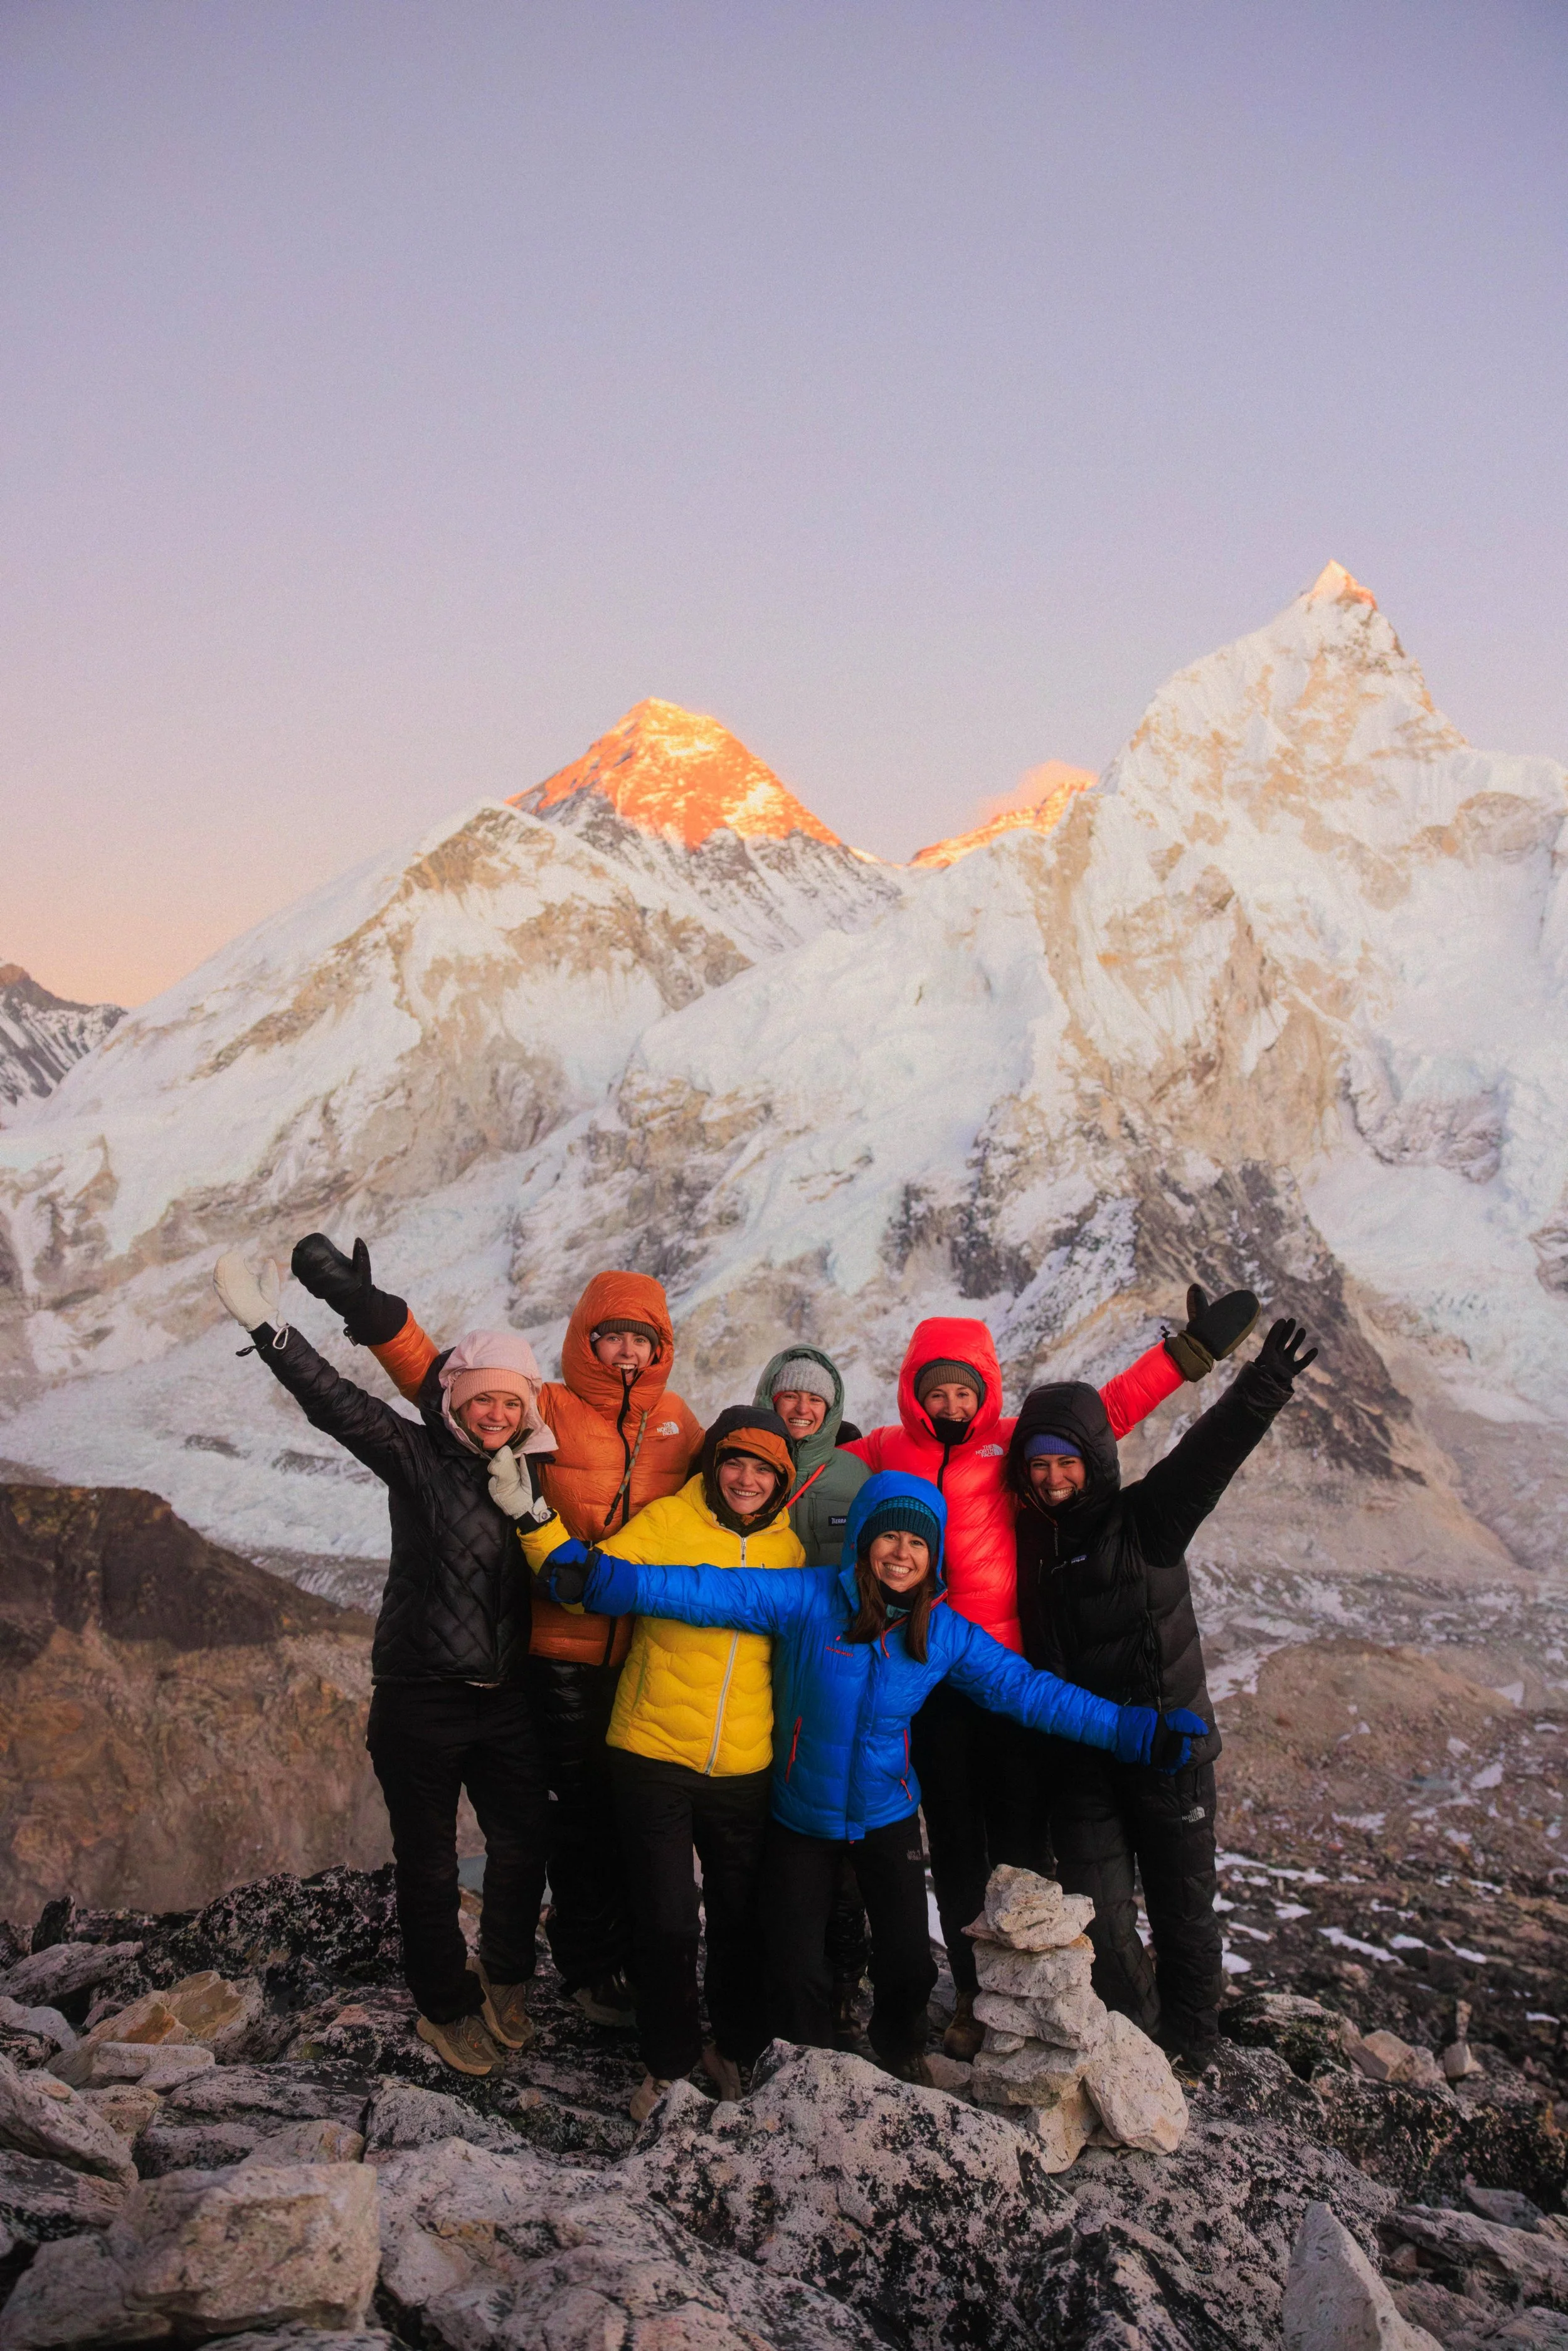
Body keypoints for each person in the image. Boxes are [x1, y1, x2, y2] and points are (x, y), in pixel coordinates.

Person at [533, 1471, 1204, 2084]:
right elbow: (709, 1588)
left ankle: (900, 2050)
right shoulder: (808, 1600)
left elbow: (1029, 1691)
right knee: (795, 1967)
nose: (901, 1552)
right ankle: (809, 2075)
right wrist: (606, 1580)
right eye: (889, 1535)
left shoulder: (942, 1633)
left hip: (885, 1814)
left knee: (910, 1963)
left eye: (917, 1541)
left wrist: (1133, 1730)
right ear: (864, 1540)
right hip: (802, 1815)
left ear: (932, 1556)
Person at [289, 1238, 704, 2029]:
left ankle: (606, 1962)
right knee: (570, 1824)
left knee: (624, 1819)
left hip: (638, 1654)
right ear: (584, 1338)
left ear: (661, 1347)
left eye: (640, 1338)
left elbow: (726, 1496)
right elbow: (446, 1384)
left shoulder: (677, 1424)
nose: (625, 1350)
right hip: (548, 1652)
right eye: (610, 1334)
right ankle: (585, 1971)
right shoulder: (545, 1405)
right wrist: (369, 1312)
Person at [839, 1289, 1257, 2057]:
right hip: (930, 1680)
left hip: (1007, 1673)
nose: (951, 1403)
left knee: (1024, 1843)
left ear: (985, 1392)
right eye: (936, 1391)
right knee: (958, 1844)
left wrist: (1185, 1356)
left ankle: (1028, 1985)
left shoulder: (1007, 1444)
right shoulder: (882, 1450)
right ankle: (971, 1992)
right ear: (912, 1391)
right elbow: (787, 1477)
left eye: (964, 1389)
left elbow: (1107, 1415)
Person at [211, 1249, 556, 2081]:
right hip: (421, 1699)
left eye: (512, 1402)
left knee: (523, 1844)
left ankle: (506, 1979)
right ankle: (446, 2006)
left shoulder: (541, 1475)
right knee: (430, 1862)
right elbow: (334, 1403)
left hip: (507, 1700)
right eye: (485, 1401)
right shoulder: (413, 1454)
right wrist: (271, 1328)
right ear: (459, 1405)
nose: (498, 1414)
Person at [1006, 1315, 1318, 2067]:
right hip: (1082, 1761)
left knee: (1183, 1914)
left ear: (1094, 1461)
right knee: (1102, 1922)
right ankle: (1140, 2050)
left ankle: (1197, 2050)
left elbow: (1207, 1456)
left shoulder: (1146, 1521)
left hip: (1168, 1750)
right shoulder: (1027, 1540)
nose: (1052, 1478)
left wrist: (1263, 1384)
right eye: (1038, 1465)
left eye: (1066, 1463)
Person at [504, 1403, 804, 2121]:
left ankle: (732, 2047)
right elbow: (584, 1585)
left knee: (740, 1916)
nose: (746, 1479)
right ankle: (666, 2061)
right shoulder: (670, 1520)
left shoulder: (790, 1552)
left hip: (742, 1762)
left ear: (783, 1480)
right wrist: (532, 1519)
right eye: (735, 1461)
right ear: (713, 1464)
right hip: (652, 1750)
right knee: (669, 1920)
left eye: (764, 1469)